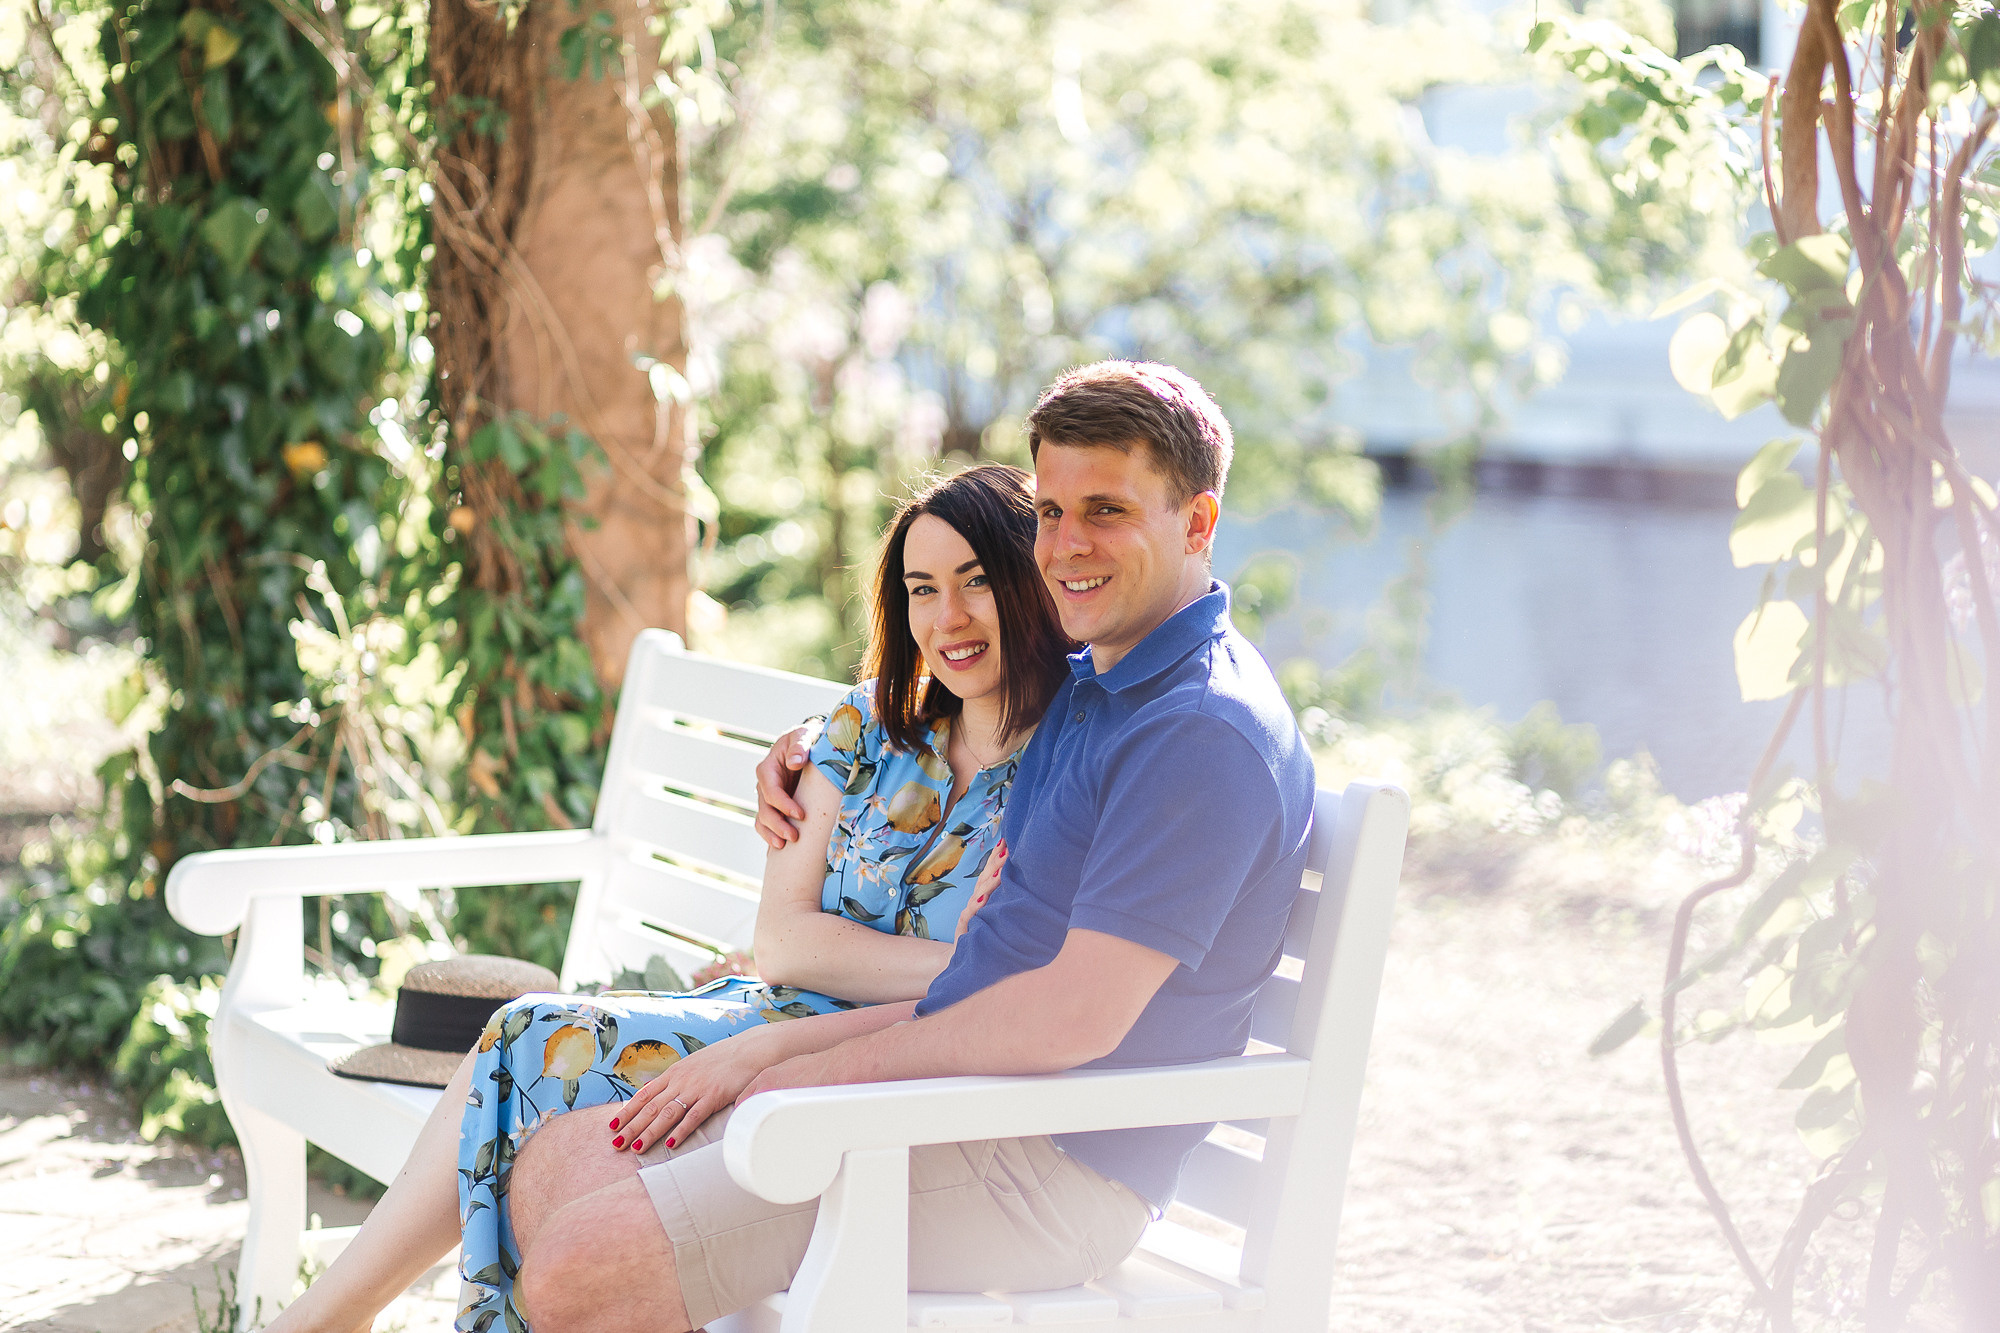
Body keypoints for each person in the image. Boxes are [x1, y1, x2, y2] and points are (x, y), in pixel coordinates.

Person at [499, 360, 1316, 1333]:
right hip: (962, 1102)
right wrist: (810, 745)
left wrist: (812, 1075)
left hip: (1044, 1163)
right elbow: (948, 686)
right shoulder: (1098, 680)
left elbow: (1068, 1021)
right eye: (1049, 513)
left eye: (1106, 510)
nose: (1065, 546)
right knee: (562, 1163)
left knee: (583, 1269)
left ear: (1197, 522)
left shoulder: (1194, 733)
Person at [260, 463, 1073, 1333]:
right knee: (531, 1039)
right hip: (769, 1010)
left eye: (977, 581)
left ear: (1029, 580)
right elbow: (788, 945)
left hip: (879, 1070)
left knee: (537, 1061)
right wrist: (960, 961)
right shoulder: (865, 727)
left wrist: (935, 976)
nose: (947, 616)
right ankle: (328, 1319)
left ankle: (328, 1323)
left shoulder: (1068, 769)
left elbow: (986, 1001)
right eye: (922, 589)